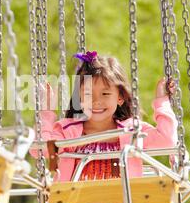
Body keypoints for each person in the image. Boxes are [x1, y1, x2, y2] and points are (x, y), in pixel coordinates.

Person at [33, 51, 177, 182]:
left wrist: (162, 101)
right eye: (88, 94)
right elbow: (39, 150)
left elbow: (167, 140)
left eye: (105, 94)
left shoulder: (131, 132)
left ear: (120, 98)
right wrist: (46, 112)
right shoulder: (68, 132)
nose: (96, 101)